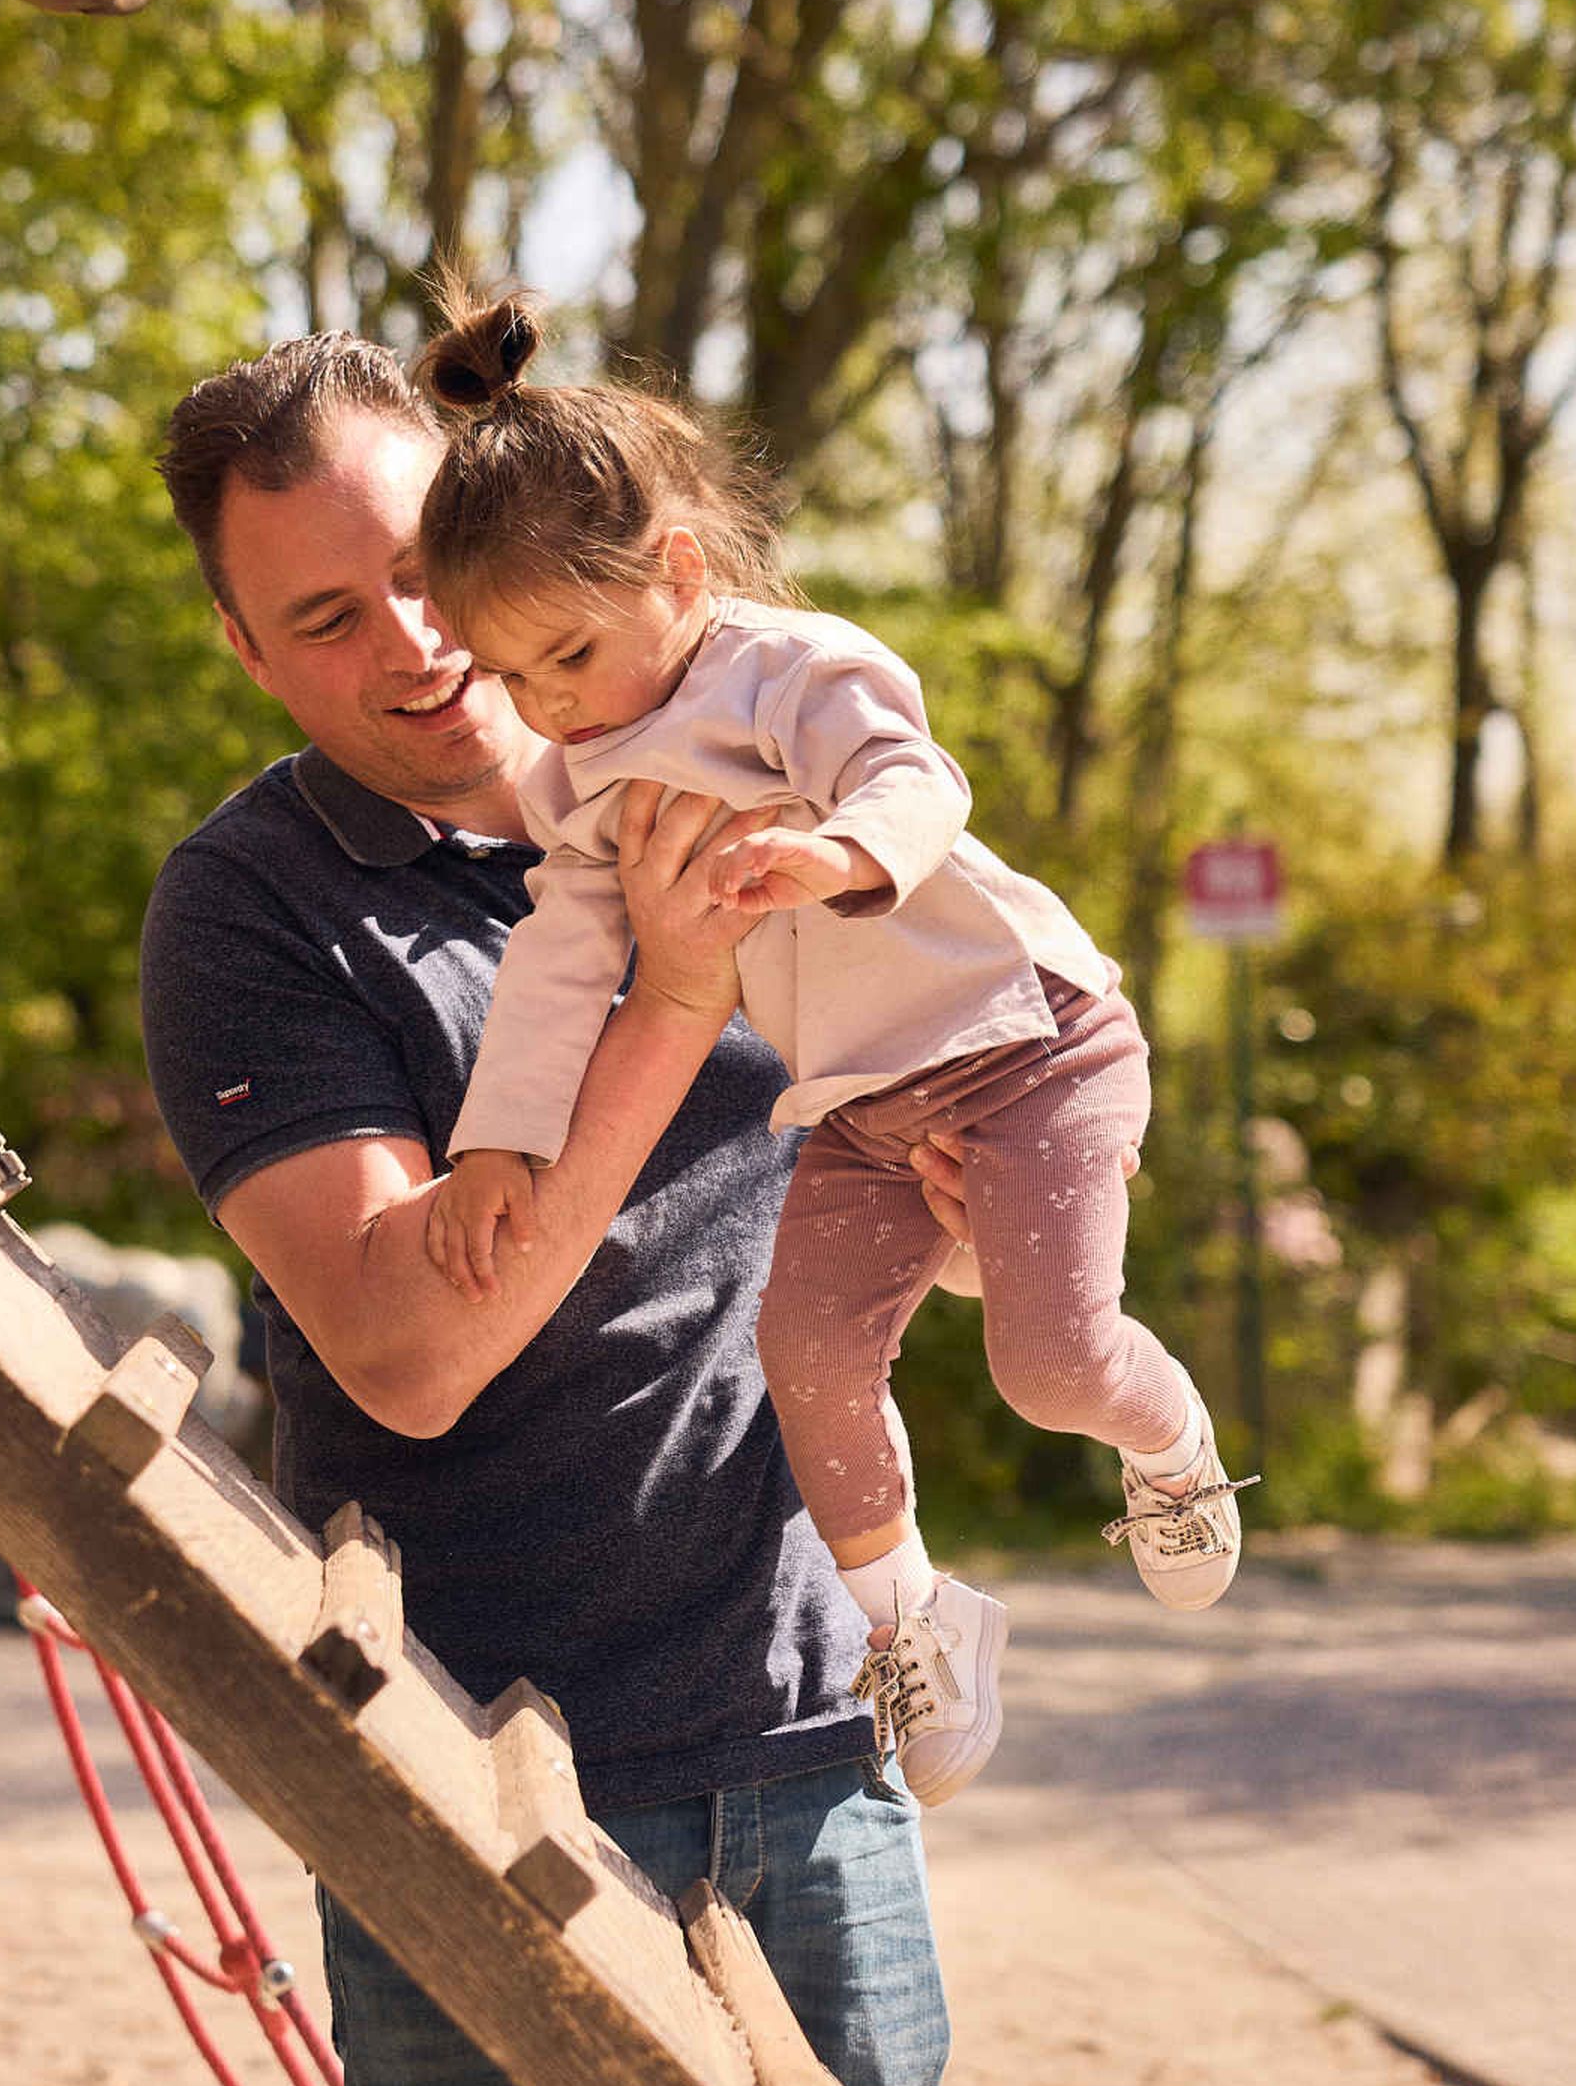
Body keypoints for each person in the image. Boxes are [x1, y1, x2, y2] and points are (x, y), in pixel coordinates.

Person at [138, 330, 947, 2086]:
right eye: (329, 617)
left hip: (809, 1724)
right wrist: (668, 1002)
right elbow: (411, 1355)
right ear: (249, 655)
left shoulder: (720, 739)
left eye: (430, 566)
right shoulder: (252, 912)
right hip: (482, 1782)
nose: (415, 642)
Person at [404, 287, 1250, 1811]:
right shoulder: (583, 780)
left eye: (570, 656)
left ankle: (1174, 1440)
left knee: (1048, 1358)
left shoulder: (789, 670)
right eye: (513, 679)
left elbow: (913, 780)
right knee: (803, 1353)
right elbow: (557, 963)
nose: (545, 706)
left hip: (1025, 1039)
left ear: (674, 568)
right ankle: (916, 1625)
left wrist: (842, 855)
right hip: (863, 1104)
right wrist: (498, 1138)